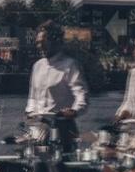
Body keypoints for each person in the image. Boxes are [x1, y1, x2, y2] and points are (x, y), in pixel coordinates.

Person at [25, 20, 88, 153]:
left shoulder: (70, 65)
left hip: (63, 128)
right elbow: (32, 97)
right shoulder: (37, 66)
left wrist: (74, 111)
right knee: (34, 169)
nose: (39, 46)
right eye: (38, 42)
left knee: (62, 171)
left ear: (56, 41)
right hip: (39, 128)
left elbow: (82, 96)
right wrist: (30, 112)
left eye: (43, 42)